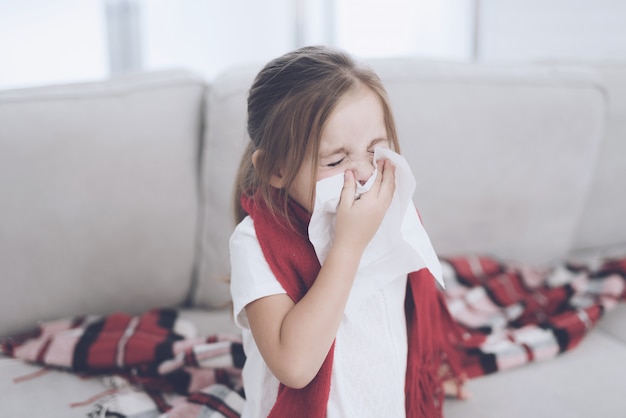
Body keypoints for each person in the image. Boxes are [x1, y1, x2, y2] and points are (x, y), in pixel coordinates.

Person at [229, 45, 464, 418]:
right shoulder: (253, 243)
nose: (366, 174)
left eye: (375, 150)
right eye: (336, 161)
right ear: (276, 169)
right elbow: (294, 366)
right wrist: (348, 245)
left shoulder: (385, 209)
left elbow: (394, 319)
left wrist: (425, 372)